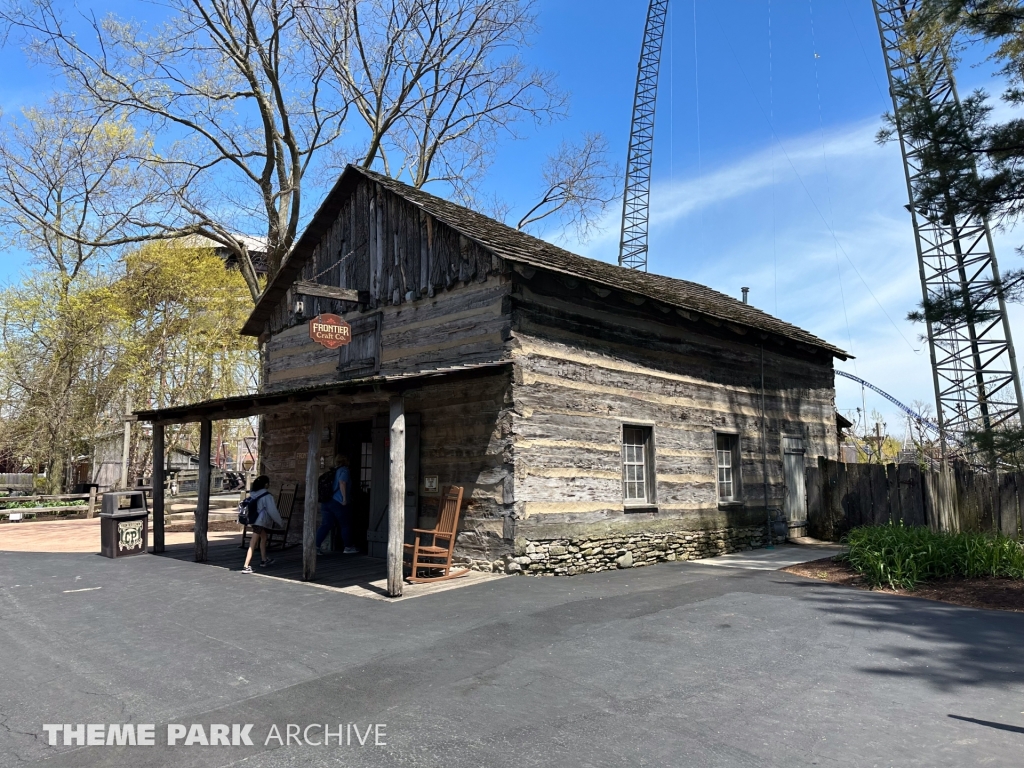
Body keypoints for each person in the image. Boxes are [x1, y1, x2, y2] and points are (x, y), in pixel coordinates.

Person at [316, 454, 358, 554]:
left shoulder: (332, 471)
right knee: (345, 524)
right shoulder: (344, 470)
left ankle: (315, 546)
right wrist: (344, 499)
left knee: (325, 524)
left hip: (326, 502)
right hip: (338, 501)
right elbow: (342, 483)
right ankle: (348, 547)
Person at [241, 475, 284, 573]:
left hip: (252, 519)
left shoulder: (253, 494)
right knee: (253, 542)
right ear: (265, 484)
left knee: (264, 537)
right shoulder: (267, 496)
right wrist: (280, 522)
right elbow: (272, 511)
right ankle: (246, 566)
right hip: (259, 521)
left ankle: (264, 559)